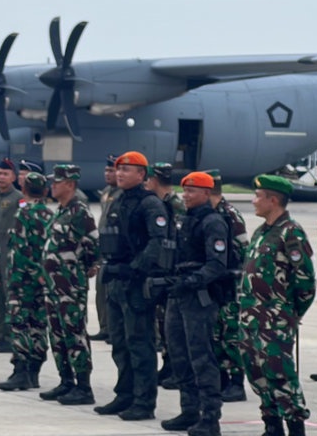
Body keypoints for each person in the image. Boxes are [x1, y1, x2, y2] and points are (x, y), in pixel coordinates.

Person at [240, 174, 315, 436]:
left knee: (280, 375)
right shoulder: (262, 231)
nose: (253, 201)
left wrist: (290, 313)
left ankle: (295, 427)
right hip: (252, 320)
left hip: (275, 321)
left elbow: (305, 282)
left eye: (258, 197)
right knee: (257, 375)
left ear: (273, 200)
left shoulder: (290, 232)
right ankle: (272, 426)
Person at [94, 151, 167, 421]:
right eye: (118, 169)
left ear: (141, 174)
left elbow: (157, 243)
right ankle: (125, 394)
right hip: (117, 281)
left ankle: (144, 401)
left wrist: (134, 269)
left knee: (140, 343)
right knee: (119, 342)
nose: (120, 173)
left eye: (127, 169)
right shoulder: (118, 200)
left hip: (136, 283)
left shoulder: (150, 204)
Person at [156, 172, 227, 436]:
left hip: (199, 297)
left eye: (192, 191)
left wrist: (191, 281)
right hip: (179, 295)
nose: (186, 195)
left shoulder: (213, 222)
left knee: (201, 356)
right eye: (184, 190)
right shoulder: (185, 220)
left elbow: (217, 264)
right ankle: (189, 410)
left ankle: (210, 416)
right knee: (178, 354)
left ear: (207, 193)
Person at [38, 165, 98, 404]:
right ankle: (66, 381)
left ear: (70, 184)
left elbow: (93, 246)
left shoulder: (80, 212)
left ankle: (83, 387)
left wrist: (84, 268)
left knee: (74, 333)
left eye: (57, 182)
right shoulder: (60, 211)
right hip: (53, 286)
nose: (52, 186)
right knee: (57, 334)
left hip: (70, 286)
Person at [0, 171, 53, 393]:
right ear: (45, 191)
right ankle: (34, 372)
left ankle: (20, 371)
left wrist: (25, 273)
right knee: (38, 324)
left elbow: (20, 250)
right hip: (42, 280)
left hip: (22, 281)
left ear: (24, 190)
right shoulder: (49, 214)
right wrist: (42, 273)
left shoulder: (24, 214)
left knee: (20, 323)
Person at [205, 169, 250, 403]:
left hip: (232, 284)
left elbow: (244, 250)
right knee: (215, 334)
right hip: (216, 284)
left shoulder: (230, 215)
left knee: (231, 334)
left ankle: (236, 382)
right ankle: (221, 377)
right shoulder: (208, 214)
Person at [146, 162, 185, 390]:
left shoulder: (175, 205)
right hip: (162, 269)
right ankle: (168, 364)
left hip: (173, 270)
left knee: (172, 325)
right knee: (162, 321)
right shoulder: (159, 203)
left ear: (154, 180)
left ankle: (175, 367)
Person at [0, 158, 22, 352]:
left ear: (13, 177)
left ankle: (11, 336)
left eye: (5, 174)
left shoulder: (19, 199)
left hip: (10, 255)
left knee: (9, 296)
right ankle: (1, 334)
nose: (1, 177)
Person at [90, 154, 121, 342]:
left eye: (111, 170)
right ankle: (105, 327)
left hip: (115, 250)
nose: (107, 174)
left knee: (112, 292)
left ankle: (114, 329)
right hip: (103, 247)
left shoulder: (121, 194)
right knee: (101, 291)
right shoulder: (106, 192)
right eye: (106, 170)